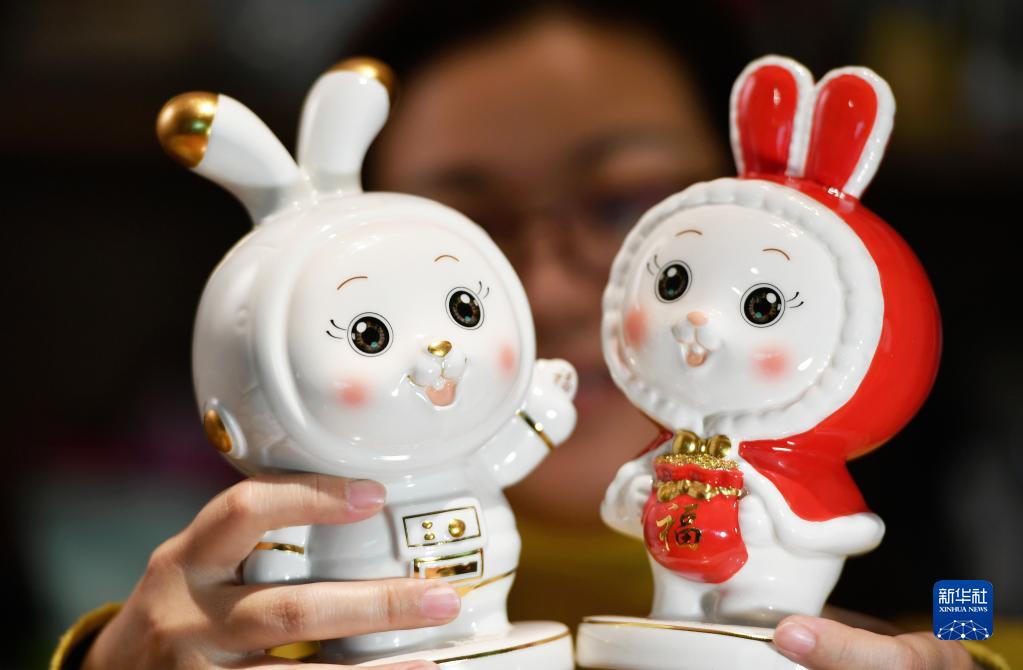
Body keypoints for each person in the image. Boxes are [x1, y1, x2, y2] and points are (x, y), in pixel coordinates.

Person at [58, 3, 996, 669]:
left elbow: (987, 616)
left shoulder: (964, 545)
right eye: (463, 229)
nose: (542, 285)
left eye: (621, 202)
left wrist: (966, 656)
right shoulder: (249, 591)